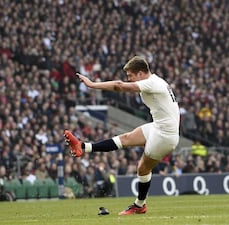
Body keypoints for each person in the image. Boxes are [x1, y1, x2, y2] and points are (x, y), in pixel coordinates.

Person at [64, 56, 179, 215]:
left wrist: (92, 84)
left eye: (130, 76)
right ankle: (83, 147)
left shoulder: (152, 83)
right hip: (159, 126)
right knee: (125, 139)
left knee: (142, 168)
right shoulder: (155, 81)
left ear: (140, 73)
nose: (128, 79)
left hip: (166, 135)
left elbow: (119, 86)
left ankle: (140, 205)